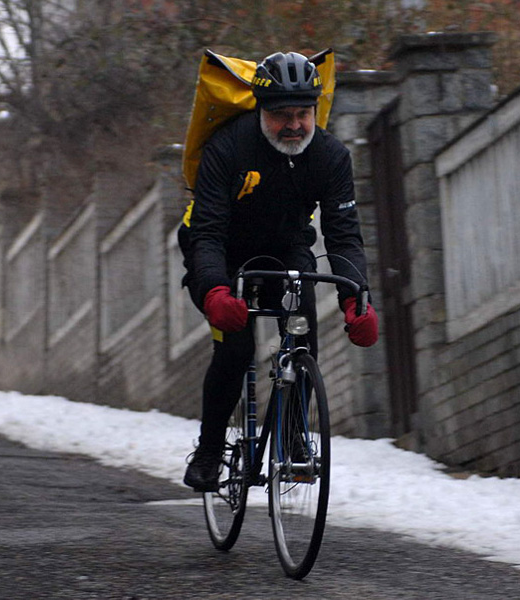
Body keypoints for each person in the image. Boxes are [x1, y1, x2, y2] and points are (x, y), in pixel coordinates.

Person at [178, 51, 379, 492]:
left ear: (314, 111)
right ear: (261, 112)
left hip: (286, 250)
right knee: (234, 350)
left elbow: (344, 235)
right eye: (281, 116)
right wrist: (214, 291)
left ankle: (292, 437)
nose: (294, 125)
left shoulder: (330, 156)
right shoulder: (227, 148)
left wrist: (356, 298)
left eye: (303, 114)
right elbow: (207, 233)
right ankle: (209, 452)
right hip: (221, 251)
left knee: (303, 329)